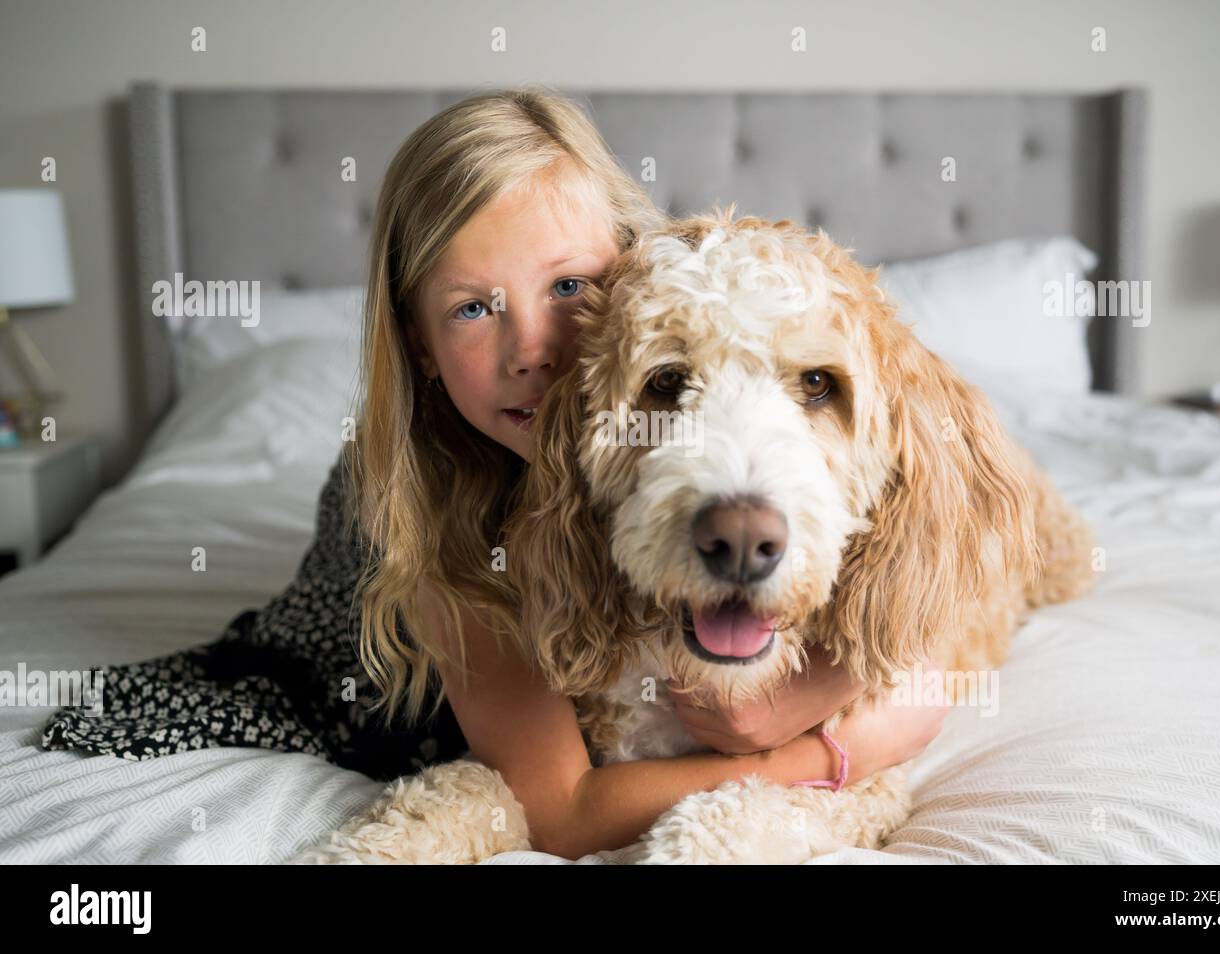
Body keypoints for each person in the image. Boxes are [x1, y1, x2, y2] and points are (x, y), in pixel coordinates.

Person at [44, 86, 949, 860]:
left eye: (567, 289)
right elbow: (561, 810)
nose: (534, 350)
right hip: (370, 628)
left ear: (632, 274)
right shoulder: (431, 516)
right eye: (474, 307)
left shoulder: (698, 326)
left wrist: (885, 686)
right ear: (421, 347)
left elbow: (921, 614)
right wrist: (804, 758)